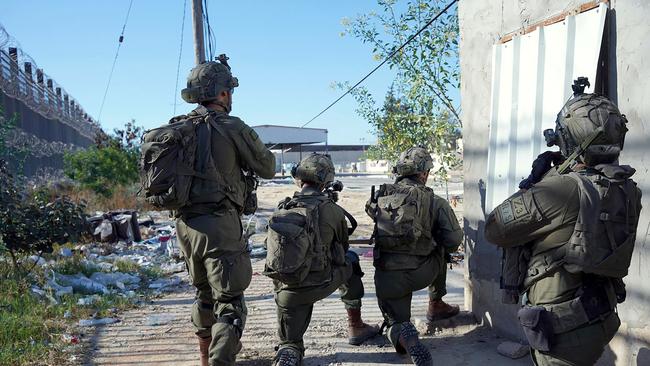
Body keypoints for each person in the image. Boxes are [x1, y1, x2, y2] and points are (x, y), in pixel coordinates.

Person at [485, 89, 642, 365]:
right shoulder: (626, 188)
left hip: (562, 331)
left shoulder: (561, 189)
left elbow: (495, 228)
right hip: (599, 315)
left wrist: (535, 181)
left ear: (571, 139)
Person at [174, 56, 276, 366]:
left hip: (185, 227)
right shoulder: (232, 126)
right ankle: (219, 361)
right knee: (230, 300)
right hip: (220, 225)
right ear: (222, 94)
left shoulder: (177, 127)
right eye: (229, 90)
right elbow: (268, 167)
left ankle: (205, 358)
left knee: (204, 293)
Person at [265, 153, 379, 366]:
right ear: (326, 181)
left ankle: (289, 349)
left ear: (299, 179)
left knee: (290, 343)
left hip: (287, 290)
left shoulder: (282, 208)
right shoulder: (332, 210)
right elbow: (342, 248)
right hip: (321, 282)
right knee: (351, 260)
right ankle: (356, 325)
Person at [366, 147, 463, 365]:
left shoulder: (380, 196)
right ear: (423, 174)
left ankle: (404, 335)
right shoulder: (436, 201)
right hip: (423, 272)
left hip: (388, 276)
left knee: (395, 322)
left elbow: (371, 212)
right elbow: (454, 241)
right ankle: (436, 303)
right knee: (441, 249)